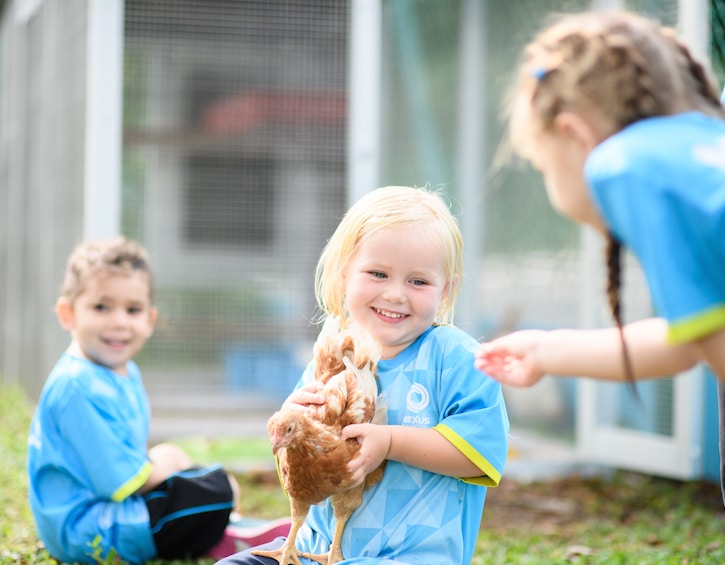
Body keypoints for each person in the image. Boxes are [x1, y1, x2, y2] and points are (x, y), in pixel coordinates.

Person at [473, 10, 725, 500]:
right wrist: (546, 352)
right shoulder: (705, 144)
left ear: (576, 136)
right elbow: (691, 342)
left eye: (543, 165)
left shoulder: (625, 165)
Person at [216, 186, 509, 565]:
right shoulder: (331, 358)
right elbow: (302, 475)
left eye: (418, 281)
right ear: (343, 276)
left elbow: (480, 454)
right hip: (316, 553)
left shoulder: (456, 357)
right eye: (378, 273)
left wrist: (388, 442)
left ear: (446, 290)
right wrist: (294, 430)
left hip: (410, 558)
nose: (395, 294)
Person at [27, 237, 289, 564]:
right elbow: (120, 482)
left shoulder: (121, 373)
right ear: (68, 314)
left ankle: (220, 528)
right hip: (88, 532)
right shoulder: (76, 385)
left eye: (132, 309)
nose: (119, 321)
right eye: (101, 307)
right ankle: (217, 530)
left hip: (108, 511)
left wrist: (173, 466)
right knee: (216, 490)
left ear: (149, 319)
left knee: (200, 479)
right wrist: (164, 461)